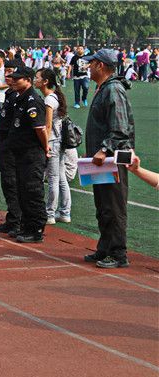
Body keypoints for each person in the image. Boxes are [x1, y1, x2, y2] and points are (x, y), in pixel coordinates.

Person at [82, 49, 135, 269]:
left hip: (111, 159)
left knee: (113, 206)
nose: (88, 67)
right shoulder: (104, 88)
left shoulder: (113, 90)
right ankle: (104, 248)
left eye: (91, 63)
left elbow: (120, 130)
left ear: (101, 66)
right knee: (103, 205)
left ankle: (118, 252)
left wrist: (103, 150)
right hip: (100, 159)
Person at [5, 66, 48, 243]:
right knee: (22, 190)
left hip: (32, 153)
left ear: (28, 80)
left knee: (32, 191)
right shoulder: (20, 98)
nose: (13, 81)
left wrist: (46, 148)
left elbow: (40, 128)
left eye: (18, 78)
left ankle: (36, 228)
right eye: (13, 78)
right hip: (20, 152)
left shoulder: (33, 100)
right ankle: (26, 225)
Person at [35, 68, 71, 225]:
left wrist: (45, 145)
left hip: (52, 142)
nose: (34, 80)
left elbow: (47, 126)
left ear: (45, 82)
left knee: (54, 179)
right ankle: (64, 212)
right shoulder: (54, 97)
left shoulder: (49, 100)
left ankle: (50, 213)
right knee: (61, 177)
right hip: (58, 142)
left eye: (37, 77)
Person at [0, 59, 22, 236]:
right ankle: (12, 218)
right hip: (5, 145)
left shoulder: (20, 96)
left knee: (14, 183)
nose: (9, 75)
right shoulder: (10, 94)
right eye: (7, 71)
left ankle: (18, 221)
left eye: (12, 71)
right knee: (7, 183)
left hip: (14, 147)